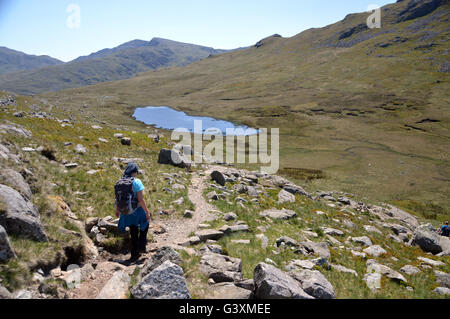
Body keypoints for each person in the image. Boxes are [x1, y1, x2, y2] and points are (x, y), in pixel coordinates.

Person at [115, 162, 152, 262]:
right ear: (134, 172)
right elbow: (140, 199)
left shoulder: (119, 182)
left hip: (126, 212)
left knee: (133, 230)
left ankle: (134, 254)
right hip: (137, 211)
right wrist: (147, 211)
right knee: (146, 221)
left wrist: (117, 210)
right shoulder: (137, 182)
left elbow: (117, 198)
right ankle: (142, 246)